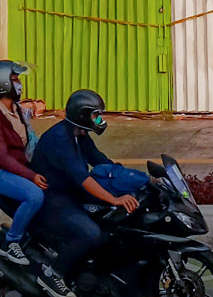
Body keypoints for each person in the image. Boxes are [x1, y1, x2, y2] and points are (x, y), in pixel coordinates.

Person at [0, 61, 74, 297]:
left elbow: (31, 131)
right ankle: (12, 242)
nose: (19, 84)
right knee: (34, 195)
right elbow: (1, 157)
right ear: (2, 85)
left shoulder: (16, 111)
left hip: (18, 170)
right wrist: (30, 176)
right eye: (15, 80)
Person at [30, 89, 150, 281]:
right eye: (95, 115)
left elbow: (100, 161)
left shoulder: (79, 134)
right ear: (82, 115)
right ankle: (53, 275)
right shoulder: (60, 139)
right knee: (91, 233)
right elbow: (83, 179)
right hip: (53, 201)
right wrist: (114, 198)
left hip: (71, 194)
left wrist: (134, 181)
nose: (98, 119)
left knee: (112, 222)